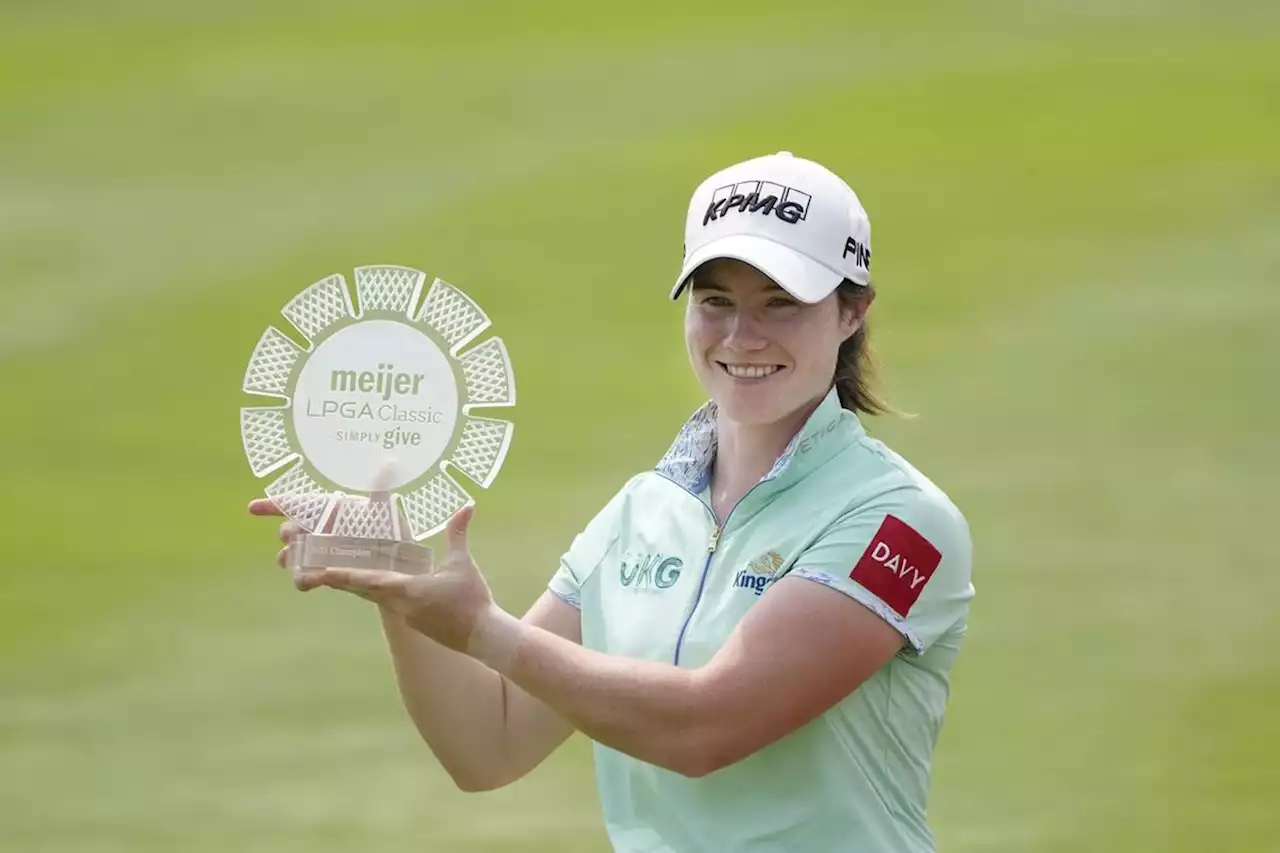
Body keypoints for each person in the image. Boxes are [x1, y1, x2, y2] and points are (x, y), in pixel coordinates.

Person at [250, 151, 975, 852]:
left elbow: (706, 728)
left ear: (853, 311)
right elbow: (489, 744)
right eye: (714, 301)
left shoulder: (901, 521)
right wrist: (400, 586)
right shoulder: (641, 513)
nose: (740, 337)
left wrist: (484, 630)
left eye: (780, 304)